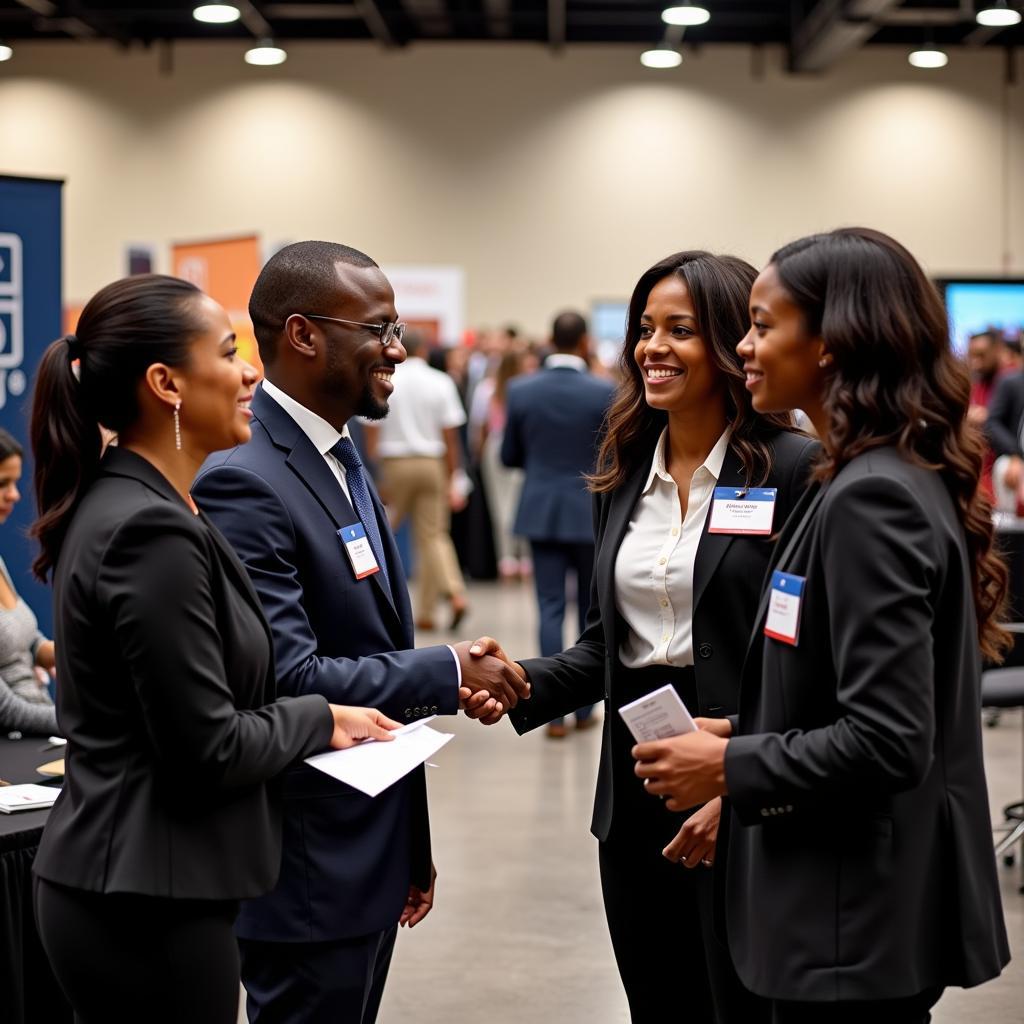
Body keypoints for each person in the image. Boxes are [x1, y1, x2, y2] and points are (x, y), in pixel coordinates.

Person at [633, 228, 1011, 1023]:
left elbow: (888, 737)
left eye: (764, 326)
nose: (745, 345)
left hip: (850, 915)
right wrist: (741, 726)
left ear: (833, 344)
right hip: (847, 913)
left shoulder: (873, 498)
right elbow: (845, 686)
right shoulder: (863, 478)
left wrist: (734, 763)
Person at [28, 274, 401, 1024]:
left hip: (146, 884)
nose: (250, 373)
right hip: (143, 899)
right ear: (166, 384)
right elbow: (208, 746)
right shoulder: (147, 528)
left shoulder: (148, 505)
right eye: (228, 353)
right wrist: (321, 717)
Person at [473, 251, 818, 1023]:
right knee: (659, 1003)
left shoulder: (794, 470)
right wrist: (525, 681)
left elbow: (808, 658)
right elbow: (609, 643)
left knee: (747, 1007)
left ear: (734, 343)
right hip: (637, 784)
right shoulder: (623, 468)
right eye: (644, 329)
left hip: (741, 773)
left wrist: (746, 779)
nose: (651, 347)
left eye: (681, 330)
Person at [191, 241, 528, 1024]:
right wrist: (447, 670)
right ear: (305, 335)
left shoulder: (339, 452)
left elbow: (366, 641)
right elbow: (290, 679)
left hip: (366, 846)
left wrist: (409, 844)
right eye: (379, 328)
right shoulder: (246, 477)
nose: (398, 349)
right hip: (307, 863)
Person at [501, 311, 615, 737]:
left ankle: (552, 712)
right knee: (590, 614)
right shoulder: (605, 391)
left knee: (548, 606)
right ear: (585, 341)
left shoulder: (521, 389)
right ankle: (585, 710)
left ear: (550, 339)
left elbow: (508, 455)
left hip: (541, 508)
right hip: (591, 510)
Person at [363, 331, 470, 631]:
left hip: (394, 464)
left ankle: (402, 608)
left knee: (381, 533)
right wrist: (454, 475)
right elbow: (451, 436)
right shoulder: (441, 381)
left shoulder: (384, 378)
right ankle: (452, 594)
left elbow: (371, 433)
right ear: (423, 350)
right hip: (431, 462)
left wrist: (377, 472)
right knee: (433, 535)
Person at [0, 428, 58, 736]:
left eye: (14, 482)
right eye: (1, 484)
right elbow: (5, 710)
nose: (14, 495)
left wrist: (69, 654)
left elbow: (25, 640)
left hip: (41, 730)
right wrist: (83, 723)